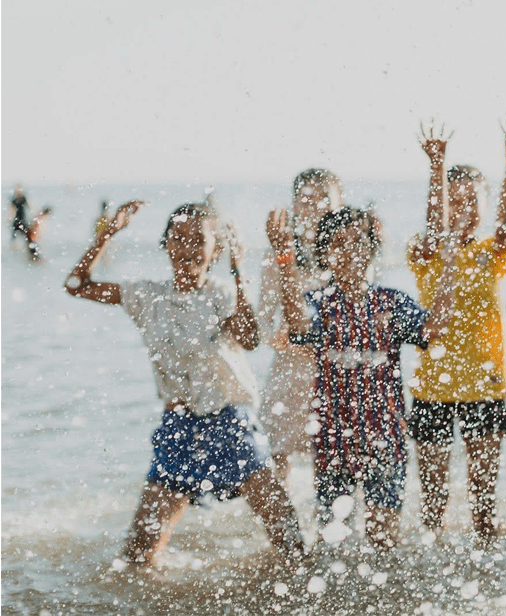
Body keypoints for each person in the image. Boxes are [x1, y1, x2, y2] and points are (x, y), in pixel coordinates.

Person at [64, 200, 306, 567]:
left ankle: (308, 591)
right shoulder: (147, 295)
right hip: (179, 430)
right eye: (178, 238)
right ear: (165, 245)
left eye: (199, 239)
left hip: (231, 424)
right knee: (138, 556)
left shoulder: (221, 293)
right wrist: (108, 234)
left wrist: (239, 269)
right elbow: (76, 285)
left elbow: (251, 338)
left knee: (287, 536)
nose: (188, 247)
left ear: (216, 249)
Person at [266, 205, 460, 552]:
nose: (349, 251)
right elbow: (296, 324)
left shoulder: (391, 303)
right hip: (332, 444)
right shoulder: (319, 304)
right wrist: (284, 258)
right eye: (338, 243)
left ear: (371, 248)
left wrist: (450, 266)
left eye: (357, 241)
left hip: (385, 442)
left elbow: (435, 329)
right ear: (325, 253)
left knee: (383, 539)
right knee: (335, 543)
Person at [406, 113, 506, 547]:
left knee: (483, 504)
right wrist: (436, 167)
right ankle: (428, 577)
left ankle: (489, 578)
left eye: (471, 200)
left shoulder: (492, 252)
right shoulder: (426, 252)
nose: (461, 209)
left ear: (485, 203)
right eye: (452, 200)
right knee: (433, 505)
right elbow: (430, 226)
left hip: (484, 382)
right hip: (432, 387)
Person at [257, 169, 342, 479]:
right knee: (278, 454)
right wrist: (275, 337)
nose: (316, 207)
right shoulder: (277, 253)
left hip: (335, 370)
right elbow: (263, 318)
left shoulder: (347, 250)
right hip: (290, 369)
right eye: (307, 200)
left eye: (324, 199)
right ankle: (282, 524)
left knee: (334, 456)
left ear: (339, 204)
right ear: (294, 205)